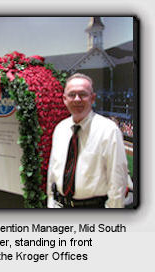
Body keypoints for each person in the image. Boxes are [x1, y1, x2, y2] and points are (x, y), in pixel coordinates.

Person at [47, 73, 128, 208]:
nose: (77, 99)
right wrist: (51, 202)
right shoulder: (60, 129)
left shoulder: (108, 130)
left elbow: (118, 180)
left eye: (83, 94)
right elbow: (52, 171)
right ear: (64, 99)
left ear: (93, 98)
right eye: (72, 95)